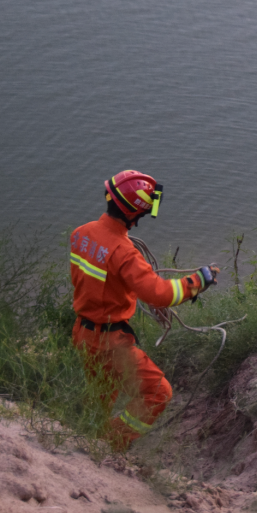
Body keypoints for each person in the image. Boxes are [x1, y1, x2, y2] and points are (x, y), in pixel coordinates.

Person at [70, 169, 219, 452]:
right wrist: (198, 282)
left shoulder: (80, 234)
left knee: (100, 397)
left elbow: (101, 282)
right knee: (159, 393)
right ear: (134, 212)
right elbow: (160, 294)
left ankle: (84, 441)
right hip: (110, 342)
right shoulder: (124, 252)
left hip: (83, 333)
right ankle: (109, 442)